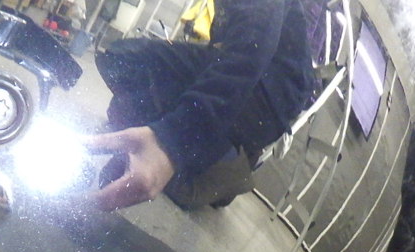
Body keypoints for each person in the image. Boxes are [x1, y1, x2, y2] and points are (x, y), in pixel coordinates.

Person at [89, 0, 316, 210]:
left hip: (267, 93)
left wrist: (170, 141)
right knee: (124, 81)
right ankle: (211, 159)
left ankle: (218, 164)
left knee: (128, 61)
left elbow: (251, 49)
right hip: (261, 87)